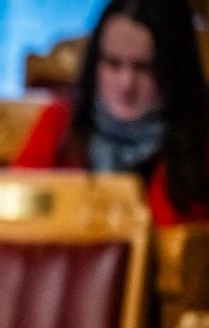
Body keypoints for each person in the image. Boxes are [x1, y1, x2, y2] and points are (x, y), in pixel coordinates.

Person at [14, 0, 209, 227]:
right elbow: (13, 219)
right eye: (113, 64)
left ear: (175, 69)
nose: (126, 84)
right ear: (94, 64)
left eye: (143, 67)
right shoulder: (60, 123)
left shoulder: (200, 137)